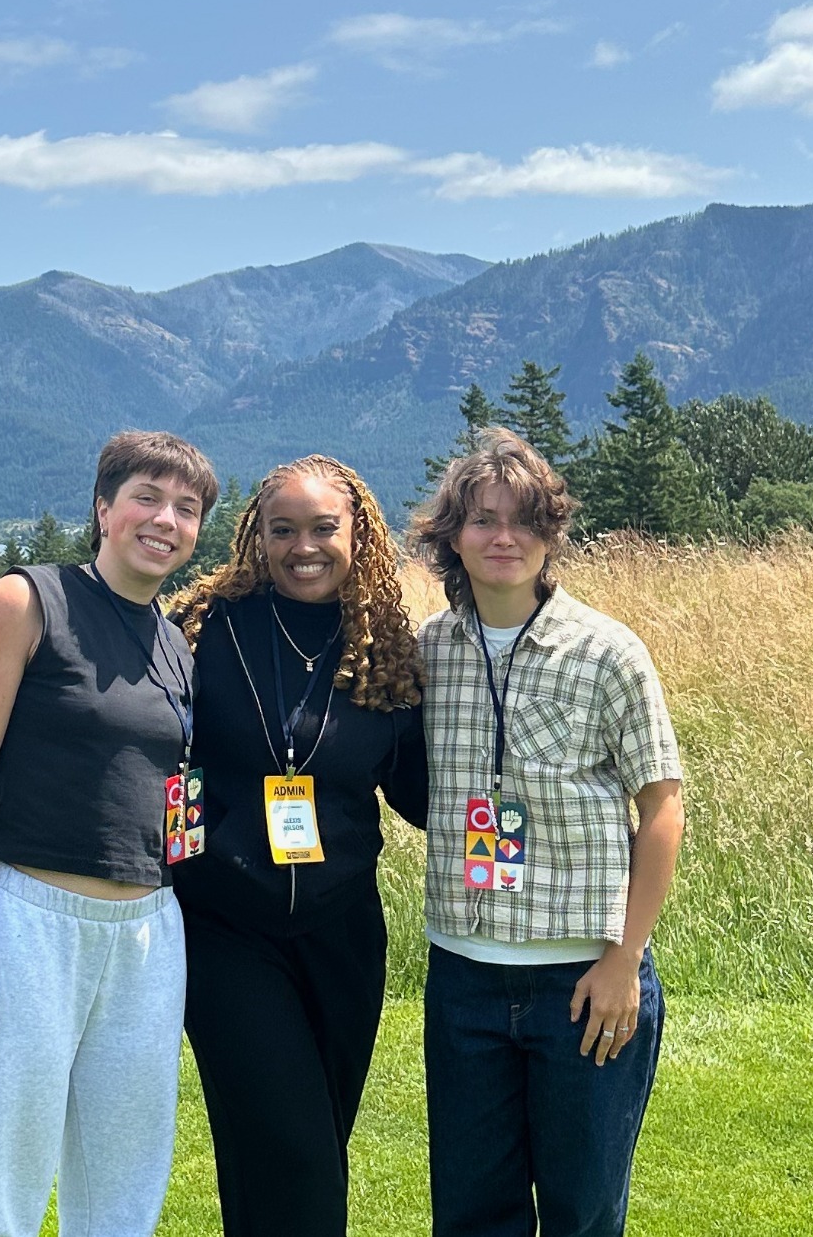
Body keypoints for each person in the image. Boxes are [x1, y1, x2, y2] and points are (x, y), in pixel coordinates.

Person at [0, 430, 219, 1237]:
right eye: (147, 498)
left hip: (149, 935)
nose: (165, 519)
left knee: (125, 1181)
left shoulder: (174, 645)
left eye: (186, 508)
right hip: (30, 921)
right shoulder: (27, 601)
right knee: (2, 1177)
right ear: (103, 507)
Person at [407, 427, 685, 1237]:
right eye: (483, 518)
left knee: (582, 1212)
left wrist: (624, 960)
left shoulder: (608, 652)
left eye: (524, 520)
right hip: (462, 978)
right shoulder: (430, 653)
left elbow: (662, 809)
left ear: (552, 534)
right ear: (451, 536)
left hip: (585, 979)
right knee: (470, 1213)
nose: (504, 537)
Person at [167, 454, 428, 1237]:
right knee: (296, 1151)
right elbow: (161, 765)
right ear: (256, 537)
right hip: (225, 932)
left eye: (323, 528)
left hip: (344, 935)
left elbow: (420, 796)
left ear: (360, 535)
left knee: (298, 1149)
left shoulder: (384, 649)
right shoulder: (206, 634)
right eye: (283, 530)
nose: (302, 546)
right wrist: (169, 873)